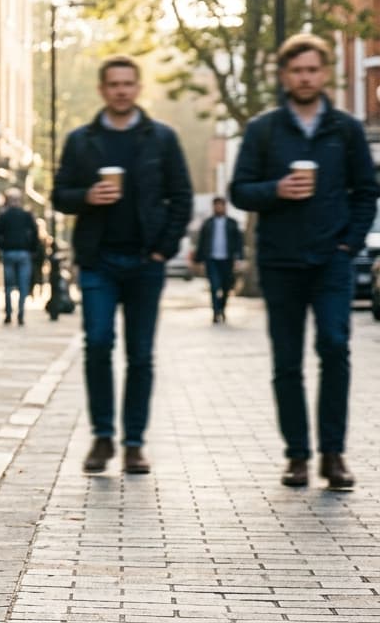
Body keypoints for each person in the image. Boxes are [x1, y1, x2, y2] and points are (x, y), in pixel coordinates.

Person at [228, 33, 378, 490]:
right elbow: (239, 190)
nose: (305, 77)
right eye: (297, 70)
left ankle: (333, 455)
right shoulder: (264, 129)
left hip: (331, 260)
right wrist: (276, 189)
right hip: (280, 261)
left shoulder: (346, 129)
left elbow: (367, 192)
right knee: (287, 362)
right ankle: (297, 456)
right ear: (284, 76)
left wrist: (348, 245)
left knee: (334, 347)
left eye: (313, 69)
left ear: (325, 73)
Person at [52, 54, 192, 476]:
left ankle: (134, 444)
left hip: (145, 262)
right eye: (113, 84)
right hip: (98, 260)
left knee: (141, 355)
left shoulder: (161, 139)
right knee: (97, 345)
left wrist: (162, 250)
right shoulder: (81, 140)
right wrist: (86, 197)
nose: (121, 90)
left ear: (138, 87)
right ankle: (102, 438)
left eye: (128, 83)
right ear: (102, 89)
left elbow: (181, 197)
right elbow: (59, 194)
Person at [191, 196, 243, 323]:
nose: (218, 207)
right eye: (216, 205)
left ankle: (222, 308)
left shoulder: (232, 223)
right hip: (212, 259)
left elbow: (238, 242)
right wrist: (198, 260)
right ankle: (215, 312)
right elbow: (202, 242)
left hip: (227, 259)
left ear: (225, 207)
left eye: (221, 205)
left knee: (226, 287)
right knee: (214, 286)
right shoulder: (208, 223)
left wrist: (239, 258)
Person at [0, 188, 38, 326]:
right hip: (24, 253)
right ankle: (21, 313)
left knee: (8, 285)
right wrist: (31, 249)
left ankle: (8, 313)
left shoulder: (4, 216)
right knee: (23, 285)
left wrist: (1, 247)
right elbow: (35, 234)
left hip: (9, 252)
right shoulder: (27, 215)